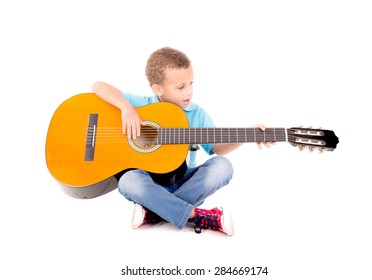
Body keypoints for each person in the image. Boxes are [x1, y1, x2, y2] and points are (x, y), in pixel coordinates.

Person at [91, 47, 273, 236]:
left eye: (190, 83)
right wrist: (125, 108)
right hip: (148, 186)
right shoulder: (143, 105)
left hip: (184, 182)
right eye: (181, 87)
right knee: (127, 181)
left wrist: (247, 135)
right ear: (158, 89)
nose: (189, 91)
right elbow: (97, 85)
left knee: (223, 166)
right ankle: (196, 215)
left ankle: (156, 212)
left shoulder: (196, 114)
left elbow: (217, 149)